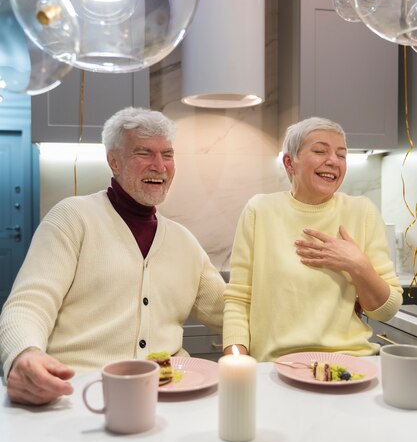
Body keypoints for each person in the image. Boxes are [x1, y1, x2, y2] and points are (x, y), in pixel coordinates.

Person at [0, 107, 225, 405]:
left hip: (168, 396)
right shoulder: (72, 218)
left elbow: (231, 312)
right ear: (114, 162)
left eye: (167, 154)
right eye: (144, 153)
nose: (159, 166)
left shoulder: (184, 242)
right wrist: (24, 354)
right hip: (81, 393)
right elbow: (30, 303)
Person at [223, 116, 403, 362]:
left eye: (341, 155)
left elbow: (387, 310)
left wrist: (357, 264)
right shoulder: (260, 210)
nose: (333, 161)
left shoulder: (362, 211)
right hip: (276, 366)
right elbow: (238, 298)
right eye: (320, 151)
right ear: (289, 162)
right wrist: (237, 360)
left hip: (351, 363)